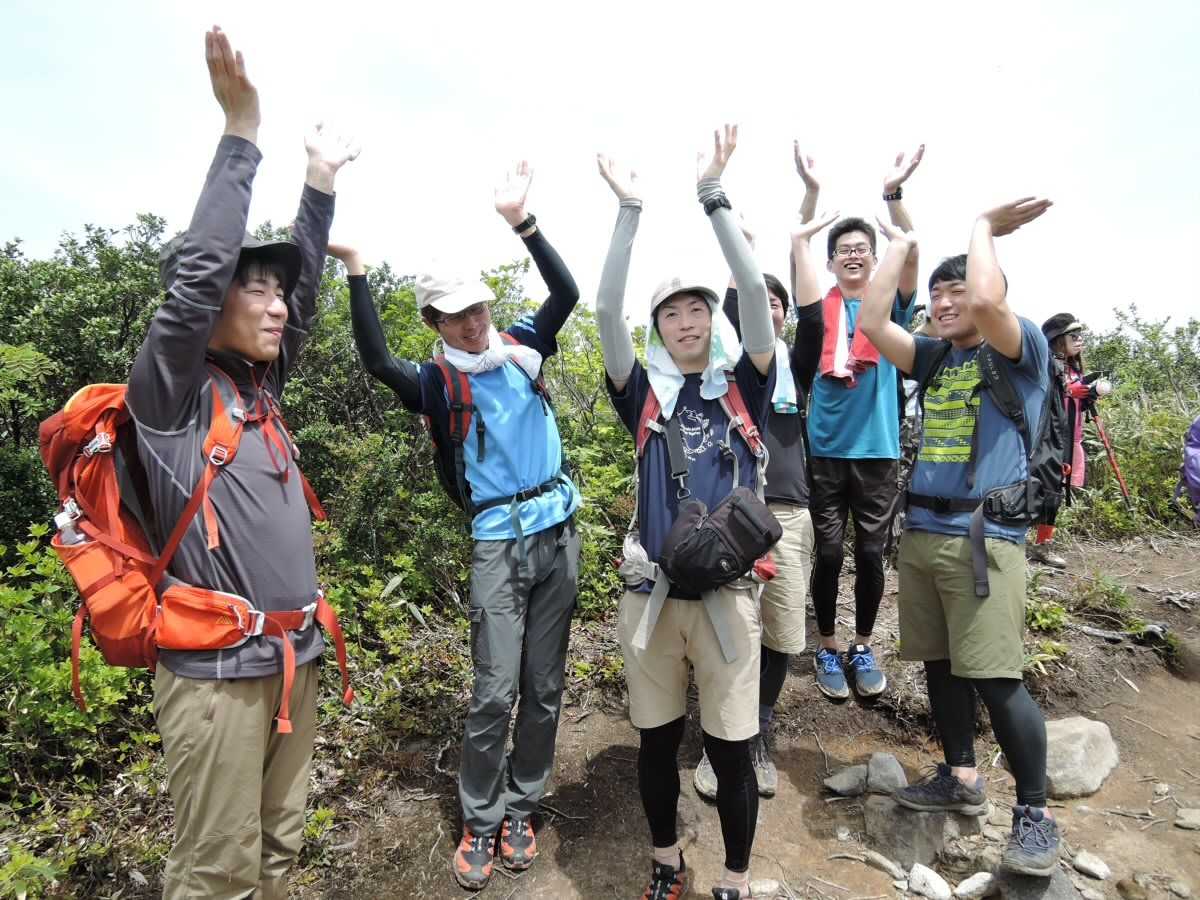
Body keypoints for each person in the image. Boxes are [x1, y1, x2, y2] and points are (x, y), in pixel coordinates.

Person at [126, 26, 358, 898]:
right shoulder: (170, 398)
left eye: (276, 291)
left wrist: (319, 185)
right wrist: (242, 137)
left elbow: (305, 294)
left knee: (278, 849)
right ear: (212, 303)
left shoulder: (258, 390)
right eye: (252, 288)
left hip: (291, 659)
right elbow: (195, 283)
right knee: (218, 874)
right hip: (218, 679)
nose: (276, 305)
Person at [331, 160, 582, 892]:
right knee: (495, 690)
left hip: (559, 531)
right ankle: (480, 820)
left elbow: (566, 293)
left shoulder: (524, 348)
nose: (474, 323)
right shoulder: (437, 382)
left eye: (477, 308)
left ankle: (522, 809)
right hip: (498, 543)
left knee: (544, 686)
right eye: (456, 315)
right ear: (434, 324)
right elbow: (375, 359)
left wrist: (522, 223)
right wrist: (355, 269)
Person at [596, 125, 776, 900]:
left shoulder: (747, 386)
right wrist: (628, 210)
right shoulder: (643, 394)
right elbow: (606, 307)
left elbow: (756, 297)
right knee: (655, 742)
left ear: (714, 316)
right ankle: (666, 861)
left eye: (697, 307)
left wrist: (713, 194)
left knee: (733, 752)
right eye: (670, 313)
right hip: (652, 597)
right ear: (658, 328)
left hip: (729, 600)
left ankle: (734, 877)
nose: (685, 320)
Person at [856, 197, 1062, 877]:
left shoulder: (1019, 351)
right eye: (937, 294)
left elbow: (988, 300)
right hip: (923, 533)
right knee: (941, 665)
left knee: (997, 678)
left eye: (956, 292)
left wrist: (982, 227)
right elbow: (871, 322)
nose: (945, 303)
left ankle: (1035, 813)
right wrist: (901, 239)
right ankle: (960, 777)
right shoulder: (936, 359)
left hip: (986, 539)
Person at [691, 160, 834, 802]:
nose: (768, 308)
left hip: (790, 517)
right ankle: (720, 737)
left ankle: (757, 731)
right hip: (732, 515)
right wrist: (739, 241)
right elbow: (734, 298)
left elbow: (814, 320)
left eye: (777, 304)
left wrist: (800, 238)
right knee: (727, 629)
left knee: (779, 636)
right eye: (761, 302)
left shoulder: (796, 370)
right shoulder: (731, 370)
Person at [789, 146, 925, 700]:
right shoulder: (815, 312)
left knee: (870, 555)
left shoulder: (888, 310)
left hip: (878, 453)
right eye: (843, 250)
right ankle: (826, 645)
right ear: (831, 263)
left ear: (874, 260)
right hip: (824, 454)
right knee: (827, 554)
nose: (852, 255)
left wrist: (893, 196)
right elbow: (797, 248)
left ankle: (862, 644)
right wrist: (811, 195)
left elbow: (910, 254)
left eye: (862, 249)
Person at [1028, 312, 1093, 568]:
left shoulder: (1073, 368)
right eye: (1073, 336)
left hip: (1068, 438)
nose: (1079, 340)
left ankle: (1043, 544)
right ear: (1057, 339)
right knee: (1039, 487)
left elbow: (1075, 404)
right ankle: (1017, 539)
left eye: (1080, 336)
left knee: (1055, 491)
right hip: (1046, 436)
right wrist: (1067, 390)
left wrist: (1088, 395)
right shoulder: (1044, 364)